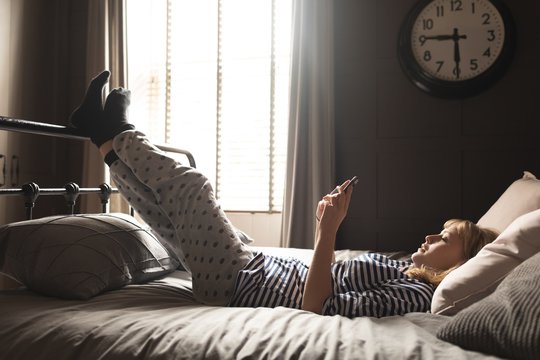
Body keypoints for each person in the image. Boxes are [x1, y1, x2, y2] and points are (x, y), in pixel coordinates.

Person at [70, 70, 499, 318]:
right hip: (252, 267)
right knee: (162, 214)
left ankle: (120, 131)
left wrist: (327, 233)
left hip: (237, 282)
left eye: (444, 240)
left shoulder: (418, 295)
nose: (429, 238)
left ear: (462, 263)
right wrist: (322, 228)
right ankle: (101, 138)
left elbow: (316, 307)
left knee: (193, 187)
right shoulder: (404, 269)